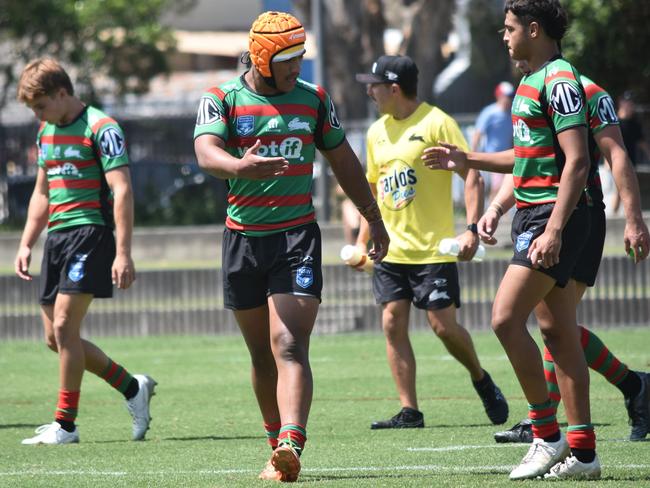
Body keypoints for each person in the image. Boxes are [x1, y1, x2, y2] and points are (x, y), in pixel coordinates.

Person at [193, 11, 389, 483]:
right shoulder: (222, 98)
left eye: (300, 56)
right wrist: (239, 167)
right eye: (287, 58)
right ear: (262, 57)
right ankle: (274, 447)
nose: (296, 66)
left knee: (288, 343)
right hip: (242, 240)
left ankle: (292, 442)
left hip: (295, 237)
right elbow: (206, 152)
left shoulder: (315, 100)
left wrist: (374, 218)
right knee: (261, 353)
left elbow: (344, 161)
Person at [423, 0, 601, 480]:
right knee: (559, 334)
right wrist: (470, 159)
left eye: (509, 28)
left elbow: (578, 162)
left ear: (535, 29)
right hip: (533, 212)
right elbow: (525, 157)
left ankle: (546, 434)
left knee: (504, 318)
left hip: (552, 215)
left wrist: (555, 229)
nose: (504, 37)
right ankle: (584, 454)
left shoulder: (560, 80)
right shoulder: (530, 81)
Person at [489, 65, 650, 443]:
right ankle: (632, 387)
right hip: (555, 212)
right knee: (554, 324)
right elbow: (531, 163)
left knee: (548, 323)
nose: (507, 40)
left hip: (580, 215)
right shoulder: (535, 90)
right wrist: (495, 207)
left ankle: (550, 423)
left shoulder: (585, 91)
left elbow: (617, 155)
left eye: (512, 28)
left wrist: (633, 220)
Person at [354, 55, 509, 432]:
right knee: (392, 323)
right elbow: (371, 189)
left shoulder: (438, 123)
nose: (369, 91)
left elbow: (470, 174)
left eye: (374, 85)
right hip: (391, 249)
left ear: (394, 88)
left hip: (434, 250)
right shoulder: (376, 133)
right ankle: (410, 410)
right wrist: (362, 240)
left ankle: (480, 378)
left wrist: (471, 228)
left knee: (442, 327)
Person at [15, 58, 156, 445]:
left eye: (40, 106)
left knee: (64, 328)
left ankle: (66, 424)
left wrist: (123, 252)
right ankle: (132, 387)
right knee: (57, 339)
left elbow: (122, 189)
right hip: (57, 240)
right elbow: (42, 193)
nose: (36, 115)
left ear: (62, 94)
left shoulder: (101, 127)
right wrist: (27, 242)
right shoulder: (46, 133)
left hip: (91, 235)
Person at [471, 81, 514, 203]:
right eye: (507, 96)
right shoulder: (489, 112)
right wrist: (473, 155)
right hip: (492, 155)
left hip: (508, 156)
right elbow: (478, 133)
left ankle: (494, 213)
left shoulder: (512, 113)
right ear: (499, 96)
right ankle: (492, 213)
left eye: (511, 96)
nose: (509, 100)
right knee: (497, 187)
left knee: (501, 188)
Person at [609, 91, 650, 215]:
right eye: (628, 102)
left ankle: (625, 217)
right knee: (619, 190)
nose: (630, 105)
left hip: (631, 162)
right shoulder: (614, 121)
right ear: (622, 103)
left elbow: (642, 143)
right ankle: (613, 217)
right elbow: (608, 143)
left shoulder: (634, 123)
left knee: (629, 190)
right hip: (616, 162)